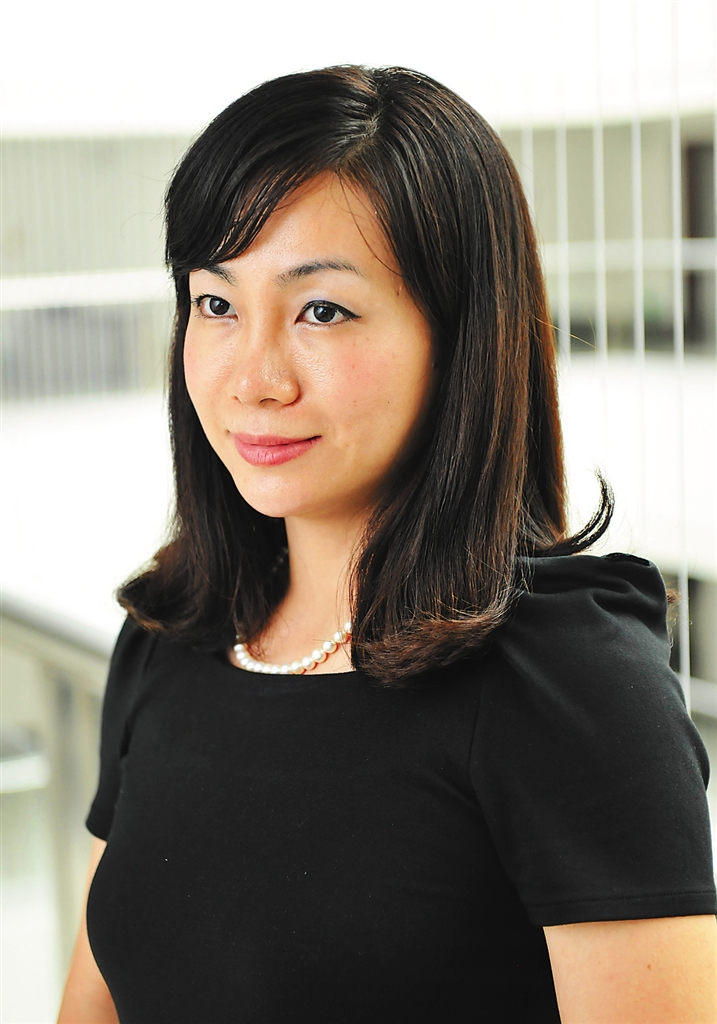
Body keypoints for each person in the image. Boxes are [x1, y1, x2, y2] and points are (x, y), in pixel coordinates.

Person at [58, 66, 716, 1024]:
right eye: (215, 304)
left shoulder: (566, 678)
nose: (253, 378)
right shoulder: (171, 638)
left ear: (459, 336)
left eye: (322, 310)